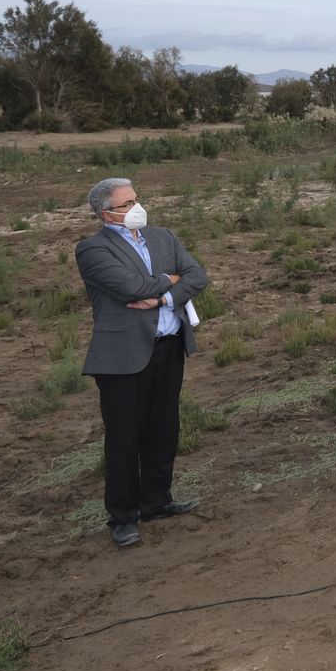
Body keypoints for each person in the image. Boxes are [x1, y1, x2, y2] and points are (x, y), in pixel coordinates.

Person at [77, 177, 209, 549]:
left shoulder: (163, 236)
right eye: (126, 204)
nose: (137, 208)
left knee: (163, 429)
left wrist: (163, 299)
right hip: (123, 358)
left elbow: (198, 275)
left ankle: (157, 501)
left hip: (168, 346)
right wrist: (170, 280)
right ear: (106, 214)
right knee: (124, 437)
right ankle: (122, 516)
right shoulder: (92, 249)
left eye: (136, 199)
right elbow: (129, 287)